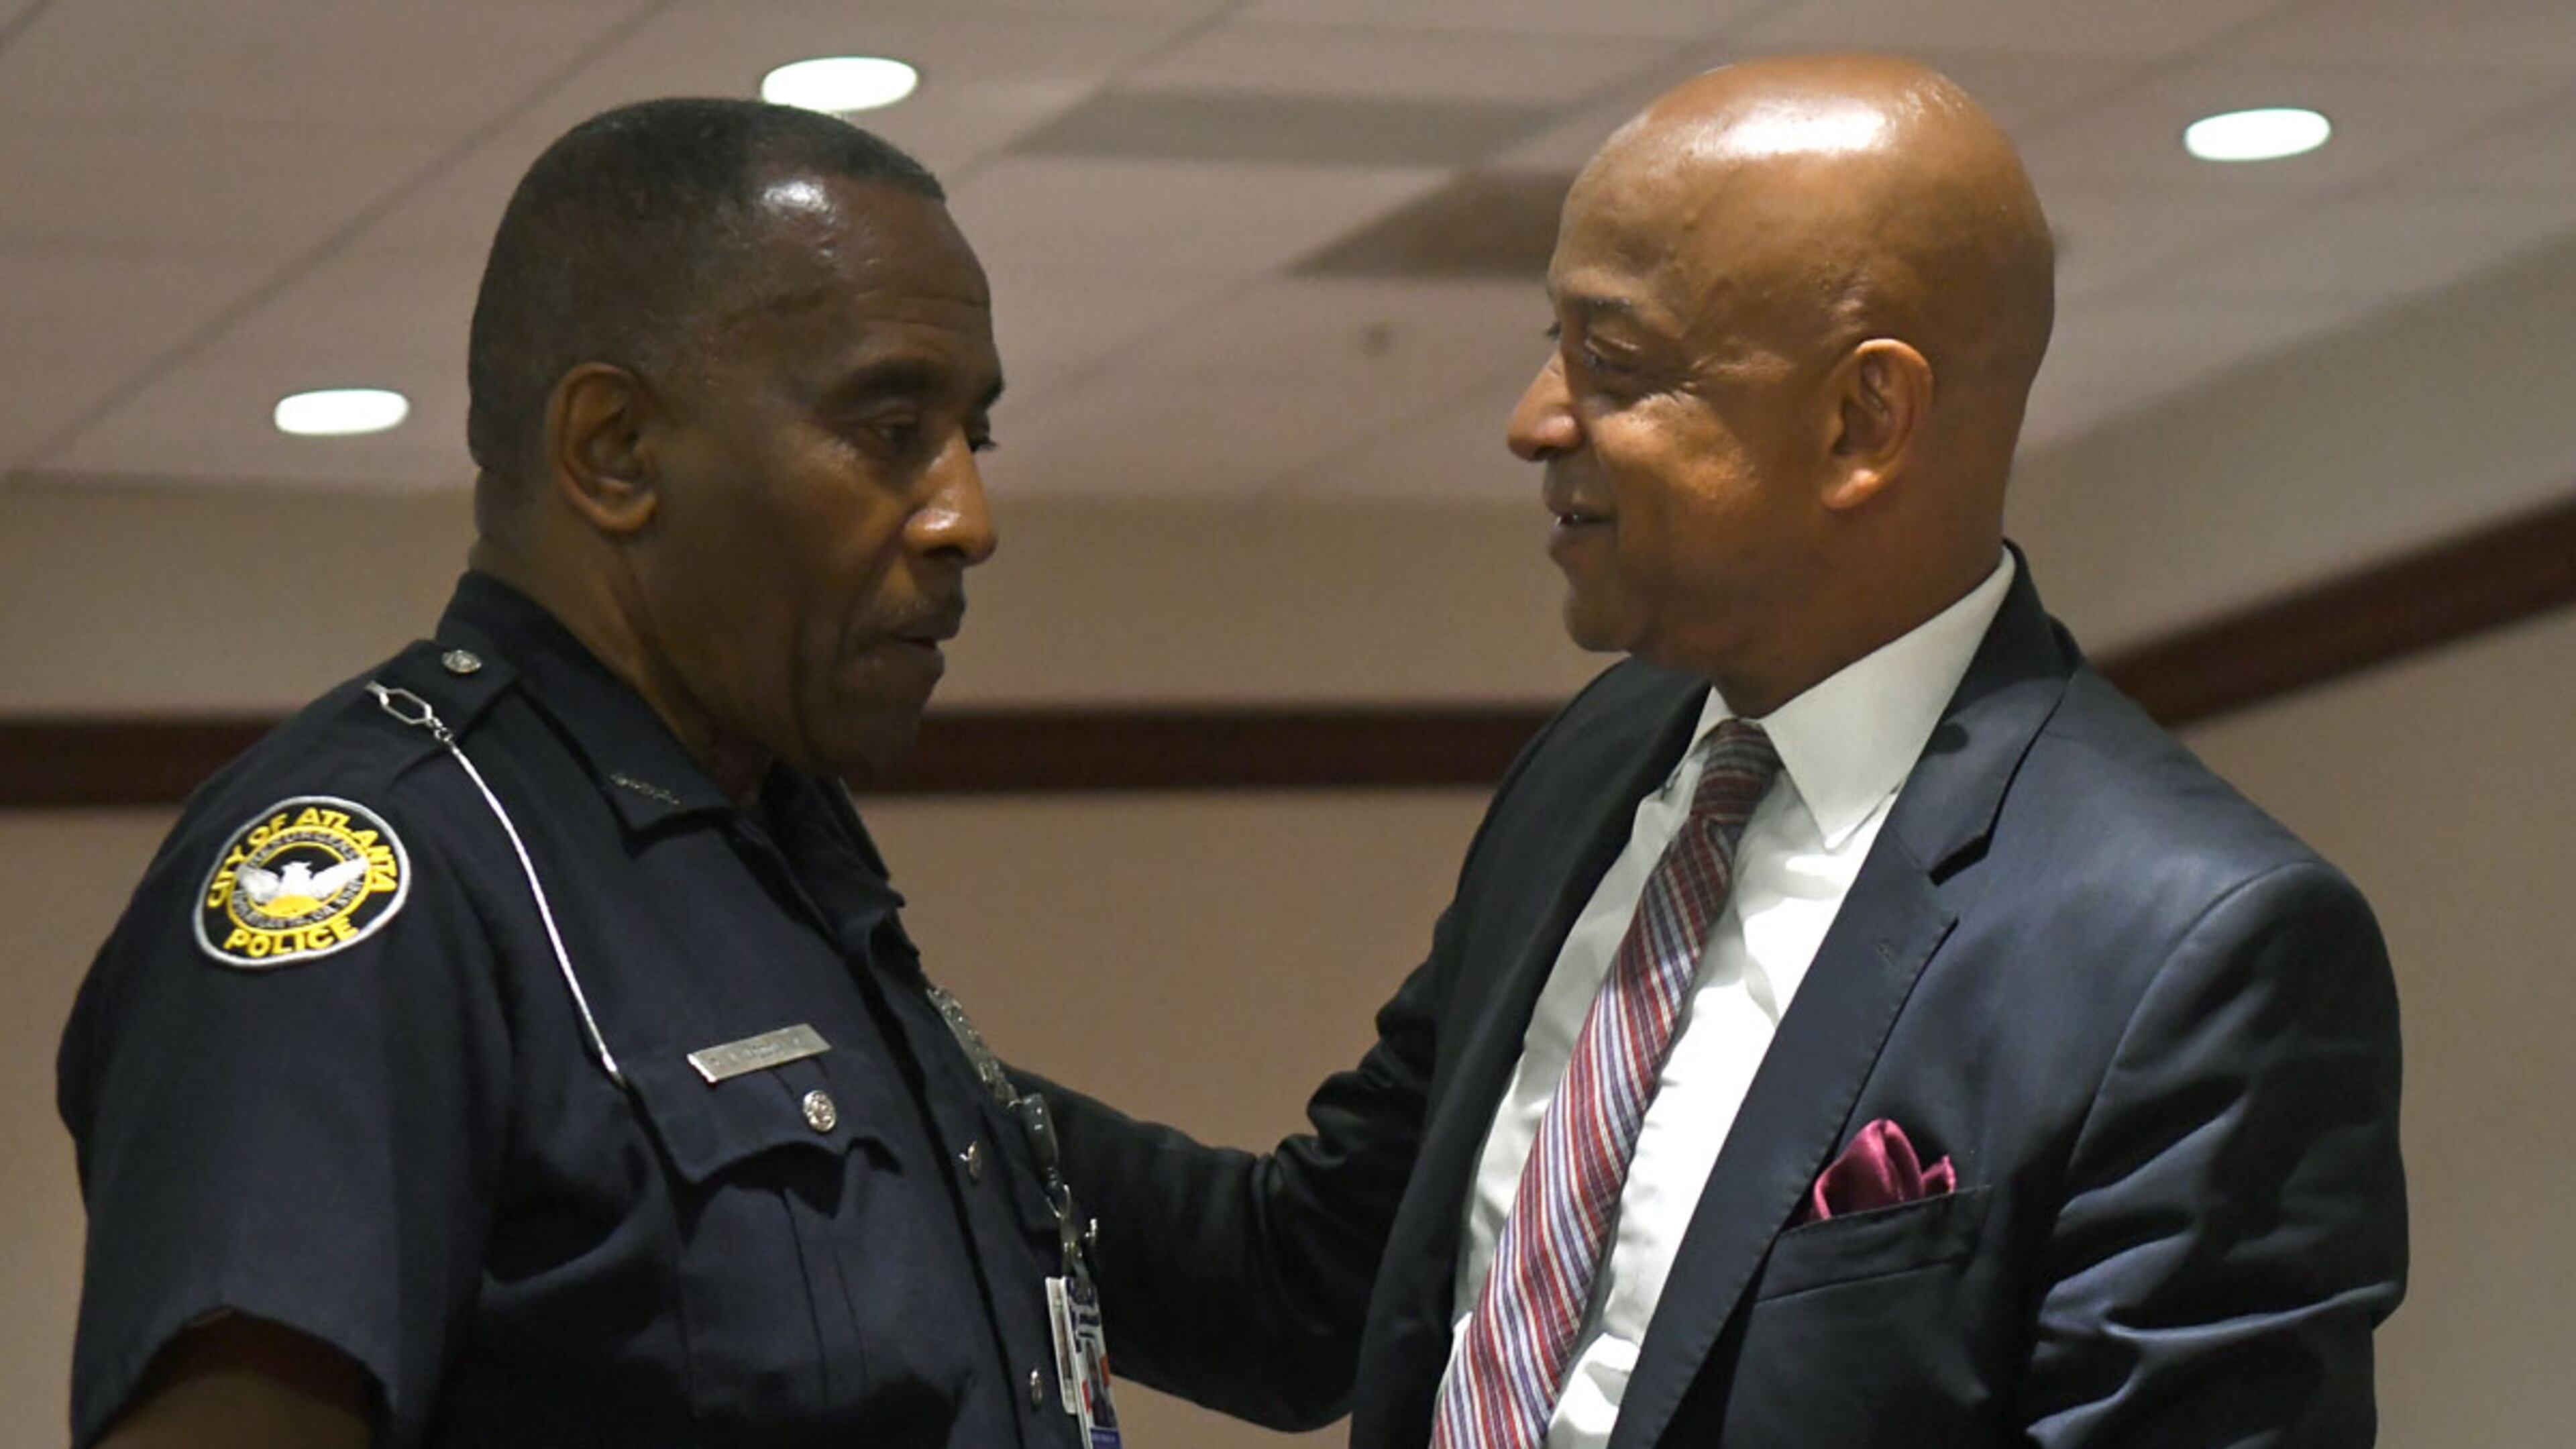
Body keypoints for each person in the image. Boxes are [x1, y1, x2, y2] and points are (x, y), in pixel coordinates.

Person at [1026, 54, 2408, 1448]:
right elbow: (1306, 1286)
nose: (1533, 420)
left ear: (1862, 420)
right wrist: (892, 1061)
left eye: (1612, 363)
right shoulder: (1599, 767)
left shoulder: (2185, 945)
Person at [58, 98, 1106, 1449]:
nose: (970, 515)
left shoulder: (761, 844)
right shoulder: (384, 871)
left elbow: (1279, 1282)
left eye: (978, 439)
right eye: (891, 428)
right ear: (614, 450)